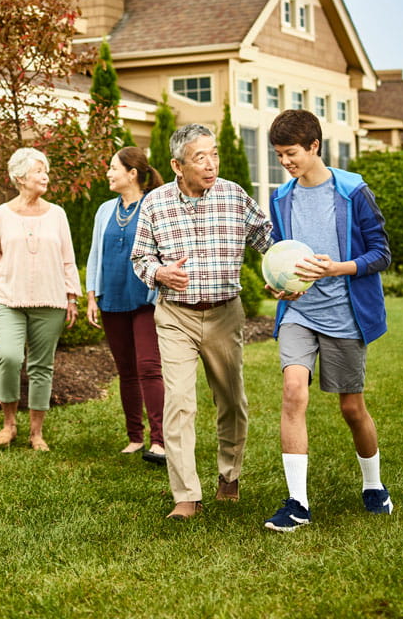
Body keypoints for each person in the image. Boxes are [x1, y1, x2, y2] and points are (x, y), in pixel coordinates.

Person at [131, 123, 273, 520]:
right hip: (176, 315)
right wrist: (159, 273)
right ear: (178, 165)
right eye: (200, 157)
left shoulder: (233, 195)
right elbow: (141, 258)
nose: (211, 164)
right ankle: (186, 494)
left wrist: (283, 271)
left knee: (231, 400)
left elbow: (268, 238)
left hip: (226, 314)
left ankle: (229, 474)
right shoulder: (156, 203)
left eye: (214, 154)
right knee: (179, 403)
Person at [263, 109, 393, 532]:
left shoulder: (353, 190)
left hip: (345, 313)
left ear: (314, 146)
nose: (285, 161)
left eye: (292, 153)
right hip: (300, 311)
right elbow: (285, 254)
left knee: (351, 407)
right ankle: (297, 502)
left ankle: (373, 486)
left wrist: (338, 268)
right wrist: (283, 286)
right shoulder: (282, 197)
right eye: (280, 155)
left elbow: (381, 253)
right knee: (292, 391)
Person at [0, 147, 80, 452]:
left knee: (41, 366)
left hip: (49, 301)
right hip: (7, 298)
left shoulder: (57, 215)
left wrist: (71, 297)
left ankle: (36, 432)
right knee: (9, 358)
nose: (45, 176)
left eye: (46, 171)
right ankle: (9, 424)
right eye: (39, 171)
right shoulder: (1, 215)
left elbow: (67, 260)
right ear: (21, 177)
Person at [86, 147, 166, 464]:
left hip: (145, 298)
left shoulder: (155, 204)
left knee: (148, 367)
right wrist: (92, 295)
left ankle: (159, 440)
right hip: (112, 297)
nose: (108, 173)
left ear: (132, 173)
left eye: (112, 167)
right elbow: (95, 254)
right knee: (126, 371)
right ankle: (135, 436)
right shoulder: (106, 209)